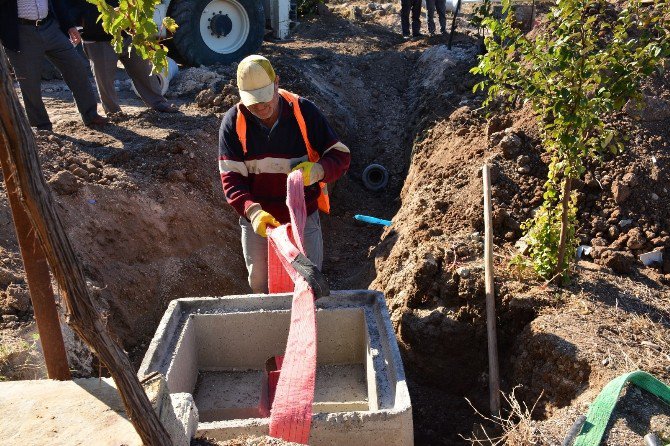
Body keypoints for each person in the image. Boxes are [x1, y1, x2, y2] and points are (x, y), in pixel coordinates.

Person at [218, 55, 350, 294]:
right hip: (259, 220)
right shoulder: (233, 123)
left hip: (302, 216)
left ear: (277, 83)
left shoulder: (304, 113)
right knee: (260, 284)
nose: (260, 107)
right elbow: (231, 179)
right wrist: (253, 212)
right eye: (253, 102)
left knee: (308, 283)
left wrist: (318, 170)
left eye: (265, 98)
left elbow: (340, 155)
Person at [0, 0, 107, 131]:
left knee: (76, 67)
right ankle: (41, 126)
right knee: (29, 83)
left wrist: (69, 25)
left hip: (50, 27)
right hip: (21, 31)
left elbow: (58, 2)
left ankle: (91, 116)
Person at [70, 0, 178, 115]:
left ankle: (158, 102)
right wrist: (76, 23)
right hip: (97, 35)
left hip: (128, 32)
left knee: (144, 69)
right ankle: (114, 112)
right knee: (105, 78)